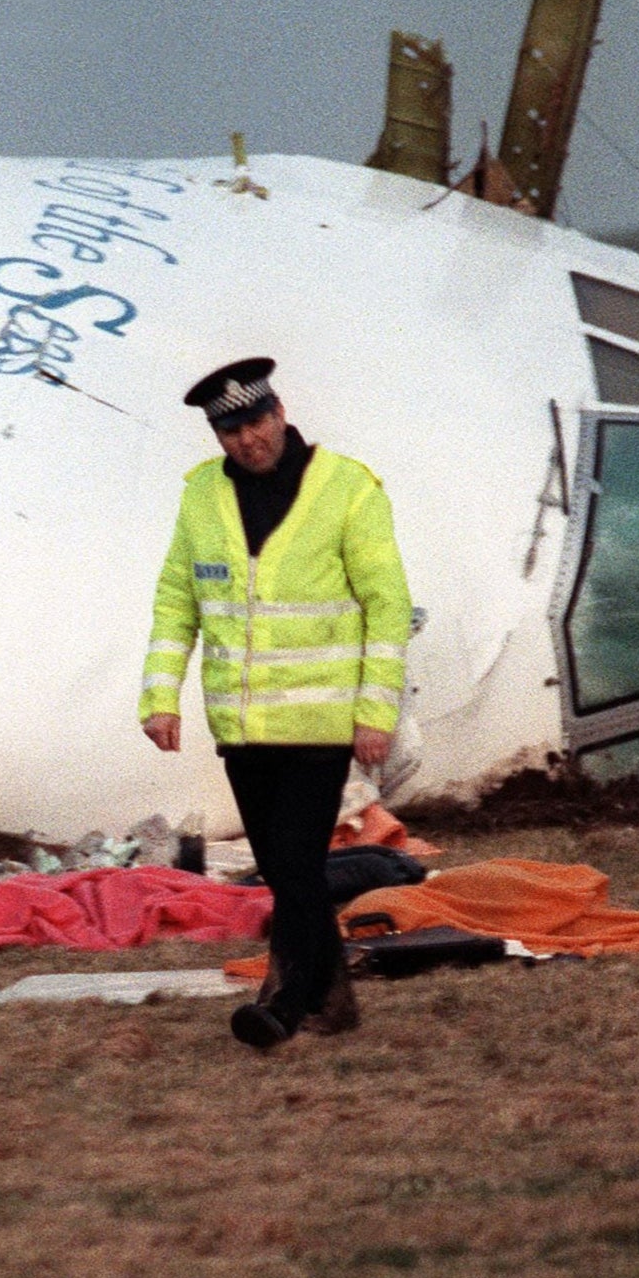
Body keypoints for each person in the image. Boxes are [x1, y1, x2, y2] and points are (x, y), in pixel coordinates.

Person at [140, 358, 412, 1049]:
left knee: (293, 869)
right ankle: (334, 998)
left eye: (255, 421)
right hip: (243, 726)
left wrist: (375, 713)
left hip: (320, 725)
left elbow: (388, 606)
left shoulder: (348, 488)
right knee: (290, 873)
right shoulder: (202, 495)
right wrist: (159, 696)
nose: (247, 439)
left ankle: (287, 1003)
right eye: (229, 429)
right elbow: (178, 601)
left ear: (280, 411)